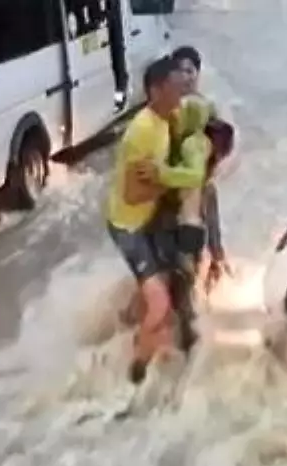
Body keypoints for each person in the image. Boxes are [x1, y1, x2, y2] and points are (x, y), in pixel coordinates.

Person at [105, 56, 205, 384]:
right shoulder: (141, 132)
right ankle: (135, 369)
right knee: (160, 305)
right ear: (155, 91)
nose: (182, 93)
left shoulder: (168, 117)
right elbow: (133, 195)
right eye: (176, 87)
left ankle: (125, 323)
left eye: (184, 85)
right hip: (129, 227)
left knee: (169, 285)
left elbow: (207, 116)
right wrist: (168, 181)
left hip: (148, 220)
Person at [171, 45, 231, 291]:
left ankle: (213, 268)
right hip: (172, 188)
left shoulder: (209, 108)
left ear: (198, 73)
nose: (185, 76)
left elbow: (221, 148)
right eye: (180, 70)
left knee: (208, 240)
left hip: (200, 187)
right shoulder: (166, 107)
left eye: (190, 70)